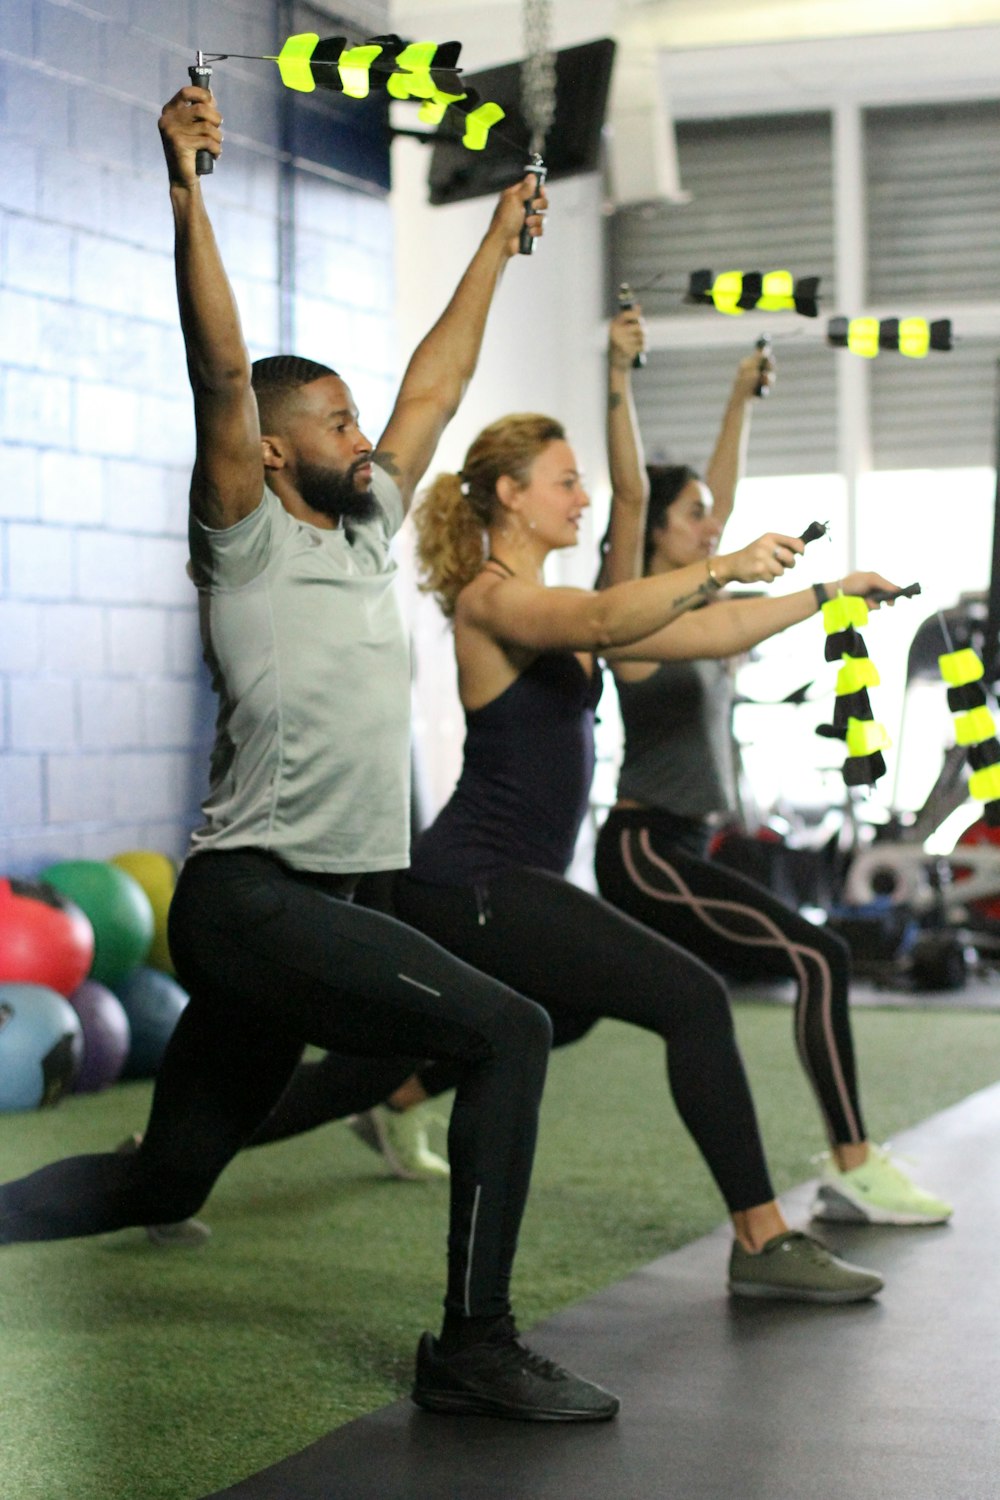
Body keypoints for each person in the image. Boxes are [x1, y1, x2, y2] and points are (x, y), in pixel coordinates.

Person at [0, 83, 626, 1425]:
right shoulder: (247, 537)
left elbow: (436, 385)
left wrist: (493, 244)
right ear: (274, 457)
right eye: (337, 426)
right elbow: (220, 372)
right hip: (257, 895)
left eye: (360, 423)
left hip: (320, 907)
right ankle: (473, 1344)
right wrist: (186, 189)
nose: (369, 438)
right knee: (507, 1032)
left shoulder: (363, 527)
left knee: (166, 1180)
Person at [388, 317, 888, 1304]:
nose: (585, 498)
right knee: (693, 998)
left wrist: (824, 593)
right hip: (471, 878)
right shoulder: (495, 598)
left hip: (515, 878)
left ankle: (344, 1104)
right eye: (562, 482)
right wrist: (725, 560)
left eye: (581, 481)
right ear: (510, 498)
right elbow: (618, 613)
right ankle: (760, 1240)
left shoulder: (561, 597)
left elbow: (706, 628)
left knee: (556, 1018)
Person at [593, 344, 952, 1227]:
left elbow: (719, 508)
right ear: (655, 533)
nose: (712, 529)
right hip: (642, 848)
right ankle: (854, 1165)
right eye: (694, 518)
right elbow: (639, 496)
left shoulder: (701, 600)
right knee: (817, 954)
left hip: (683, 845)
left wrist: (737, 399)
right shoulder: (635, 612)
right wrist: (616, 382)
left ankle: (399, 1093)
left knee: (556, 1015)